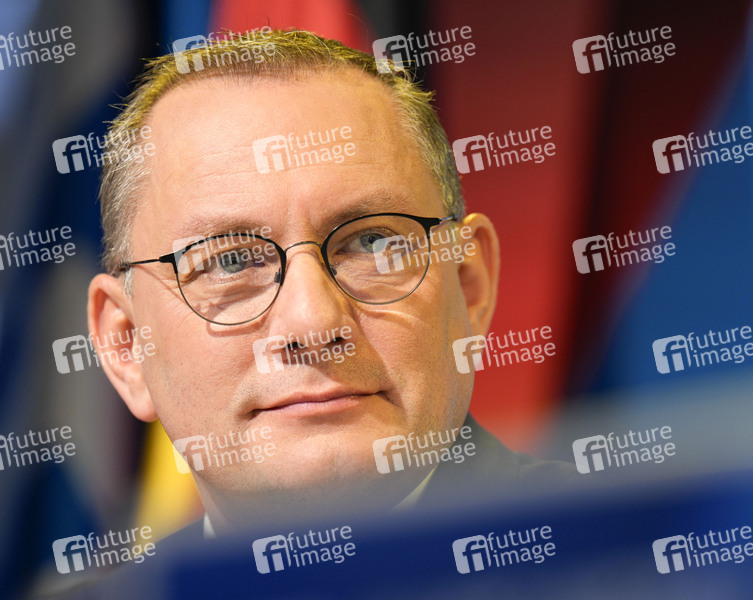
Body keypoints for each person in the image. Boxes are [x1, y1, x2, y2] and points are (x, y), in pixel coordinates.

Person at [87, 28, 572, 540]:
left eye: (372, 243)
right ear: (127, 345)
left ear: (470, 287)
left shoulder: (629, 560)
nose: (313, 322)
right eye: (229, 262)